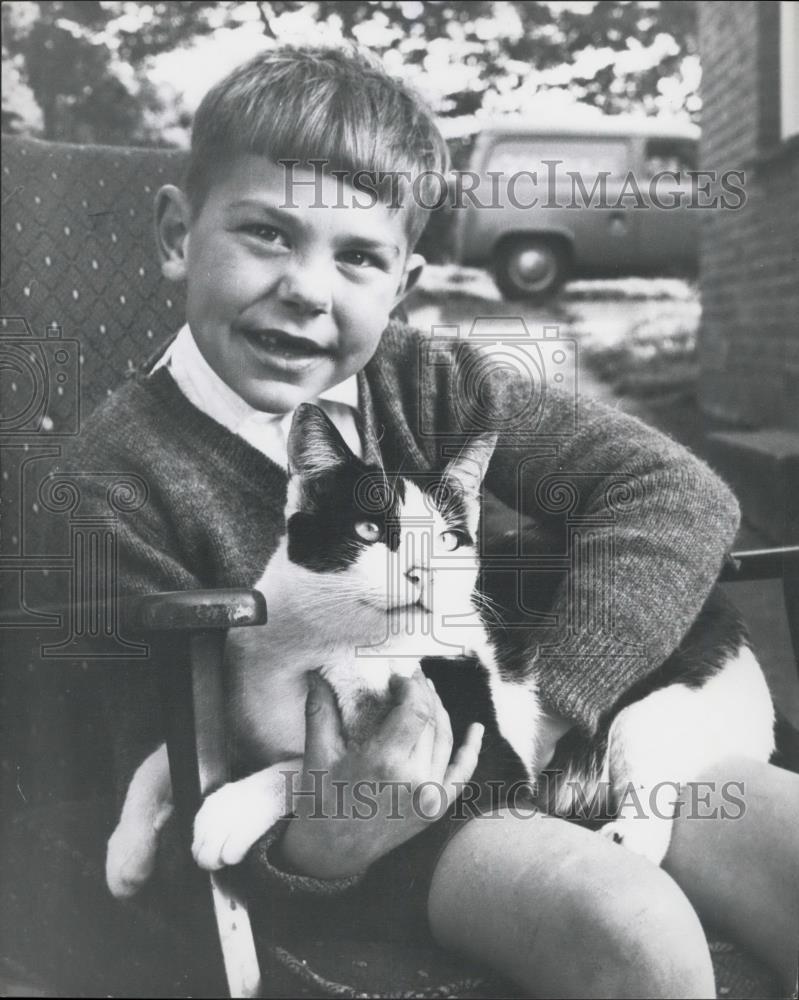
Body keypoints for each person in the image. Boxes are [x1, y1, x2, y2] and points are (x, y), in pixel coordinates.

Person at [44, 43, 798, 998]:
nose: (309, 289)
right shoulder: (117, 476)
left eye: (357, 256)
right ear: (175, 234)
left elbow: (678, 493)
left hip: (548, 746)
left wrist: (564, 705)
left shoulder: (427, 382)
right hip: (353, 827)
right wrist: (331, 831)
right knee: (632, 934)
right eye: (267, 235)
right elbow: (157, 795)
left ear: (402, 283)